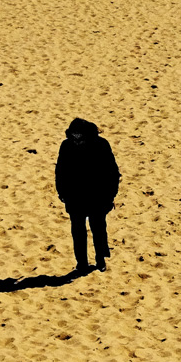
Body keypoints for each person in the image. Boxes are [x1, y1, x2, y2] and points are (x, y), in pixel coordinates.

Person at [55, 117, 120, 274]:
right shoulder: (66, 145)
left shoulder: (101, 145)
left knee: (98, 229)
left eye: (79, 135)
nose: (76, 139)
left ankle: (100, 259)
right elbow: (60, 171)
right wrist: (62, 192)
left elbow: (112, 172)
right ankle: (82, 263)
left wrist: (110, 195)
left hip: (97, 196)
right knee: (78, 231)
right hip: (74, 196)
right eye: (73, 135)